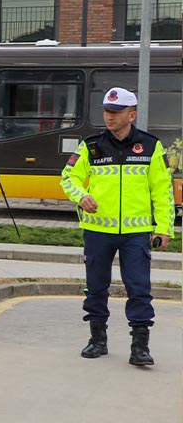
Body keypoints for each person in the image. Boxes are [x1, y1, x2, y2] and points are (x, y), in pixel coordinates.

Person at [60, 87, 175, 366]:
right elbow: (68, 178)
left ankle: (140, 347)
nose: (109, 117)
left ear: (131, 114)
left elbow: (163, 191)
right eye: (107, 112)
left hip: (136, 233)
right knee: (96, 287)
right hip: (98, 231)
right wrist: (81, 196)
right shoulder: (91, 146)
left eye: (116, 112)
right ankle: (97, 340)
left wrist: (164, 227)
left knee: (139, 287)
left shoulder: (150, 146)